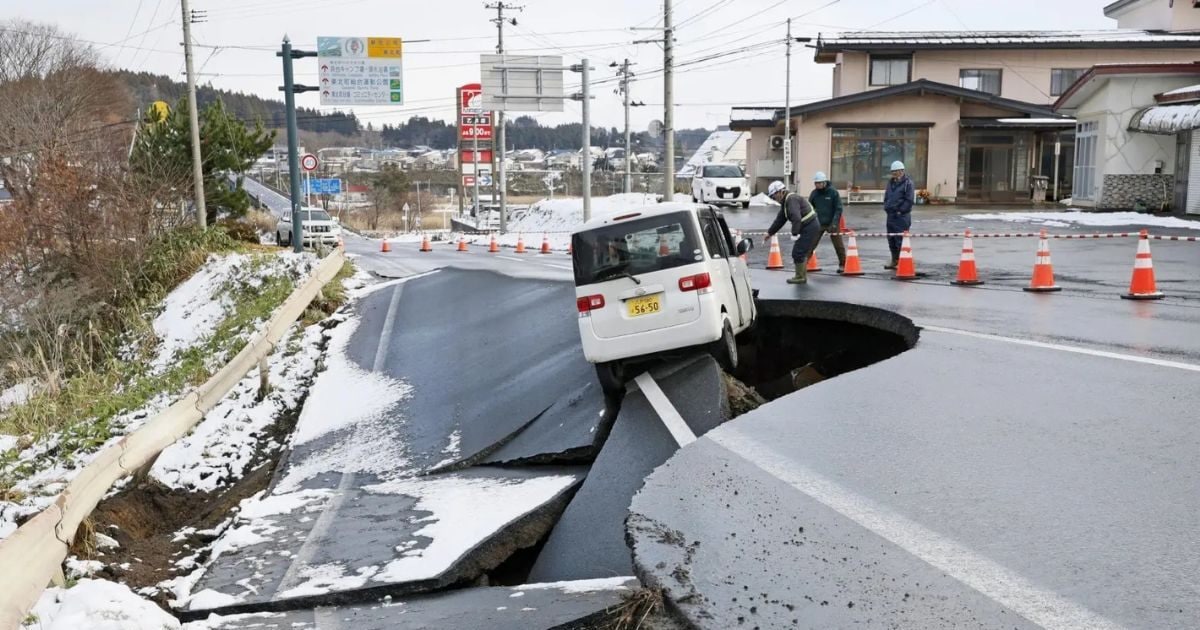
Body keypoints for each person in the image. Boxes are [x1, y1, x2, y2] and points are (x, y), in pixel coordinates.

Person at [762, 180, 821, 285]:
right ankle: (801, 275)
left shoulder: (791, 199)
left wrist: (795, 233)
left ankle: (800, 277)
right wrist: (769, 233)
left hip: (810, 227)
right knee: (800, 252)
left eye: (774, 196)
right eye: (772, 197)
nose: (774, 199)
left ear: (781, 192)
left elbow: (796, 218)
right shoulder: (786, 201)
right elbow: (780, 219)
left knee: (798, 252)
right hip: (807, 226)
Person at [808, 171, 846, 273]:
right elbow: (809, 208)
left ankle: (843, 264)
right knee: (811, 244)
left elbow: (838, 209)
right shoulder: (814, 194)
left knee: (839, 245)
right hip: (819, 223)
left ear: (824, 182)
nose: (817, 185)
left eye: (819, 183)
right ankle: (803, 264)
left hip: (832, 223)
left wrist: (834, 223)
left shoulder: (833, 192)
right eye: (816, 183)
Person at [882, 160, 915, 269]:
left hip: (901, 217)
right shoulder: (891, 183)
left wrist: (901, 211)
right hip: (890, 215)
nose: (894, 174)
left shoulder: (908, 183)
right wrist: (886, 206)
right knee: (891, 239)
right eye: (893, 172)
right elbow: (887, 196)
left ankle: (903, 262)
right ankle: (894, 260)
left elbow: (909, 200)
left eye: (896, 171)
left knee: (900, 240)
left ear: (902, 171)